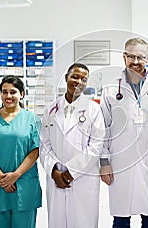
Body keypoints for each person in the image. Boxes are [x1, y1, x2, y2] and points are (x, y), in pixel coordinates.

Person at [100, 38, 148, 228]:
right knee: (121, 218)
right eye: (131, 56)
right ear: (124, 57)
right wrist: (104, 161)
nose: (135, 61)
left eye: (140, 57)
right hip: (120, 160)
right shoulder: (110, 87)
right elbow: (103, 126)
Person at [40, 63, 105, 228]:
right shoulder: (51, 110)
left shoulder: (94, 109)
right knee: (58, 222)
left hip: (83, 178)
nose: (79, 82)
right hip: (56, 177)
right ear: (66, 78)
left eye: (84, 79)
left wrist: (71, 172)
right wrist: (54, 170)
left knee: (84, 222)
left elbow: (96, 145)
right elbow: (44, 143)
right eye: (75, 77)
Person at [0, 75, 42, 228]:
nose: (8, 96)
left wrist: (15, 175)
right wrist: (2, 177)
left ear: (22, 94)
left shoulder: (32, 119)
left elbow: (35, 151)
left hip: (24, 183)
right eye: (4, 92)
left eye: (13, 92)